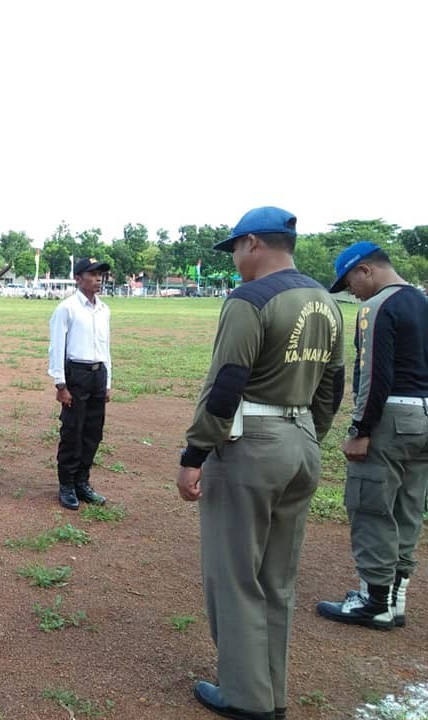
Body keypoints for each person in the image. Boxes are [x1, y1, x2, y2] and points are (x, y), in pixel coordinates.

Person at [177, 207, 345, 720]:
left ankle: (246, 696)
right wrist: (308, 435)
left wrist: (194, 454)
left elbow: (227, 382)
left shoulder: (250, 299)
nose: (235, 259)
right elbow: (334, 383)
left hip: (252, 445)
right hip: (301, 440)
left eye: (235, 248)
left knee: (234, 574)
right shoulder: (326, 299)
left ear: (252, 242)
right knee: (277, 579)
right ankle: (271, 691)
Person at [316, 242, 428, 630]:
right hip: (424, 415)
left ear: (365, 270)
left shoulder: (378, 307)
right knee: (407, 508)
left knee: (372, 506)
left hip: (391, 419)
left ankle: (374, 601)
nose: (352, 293)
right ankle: (395, 599)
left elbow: (374, 374)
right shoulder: (421, 301)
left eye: (350, 283)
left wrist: (360, 430)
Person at [47, 257, 113, 510]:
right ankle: (66, 484)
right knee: (73, 431)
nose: (98, 279)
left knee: (93, 431)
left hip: (98, 374)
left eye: (100, 275)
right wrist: (61, 385)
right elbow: (57, 347)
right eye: (92, 274)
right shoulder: (67, 308)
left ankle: (82, 481)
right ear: (77, 278)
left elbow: (105, 347)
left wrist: (108, 381)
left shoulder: (103, 309)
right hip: (77, 374)